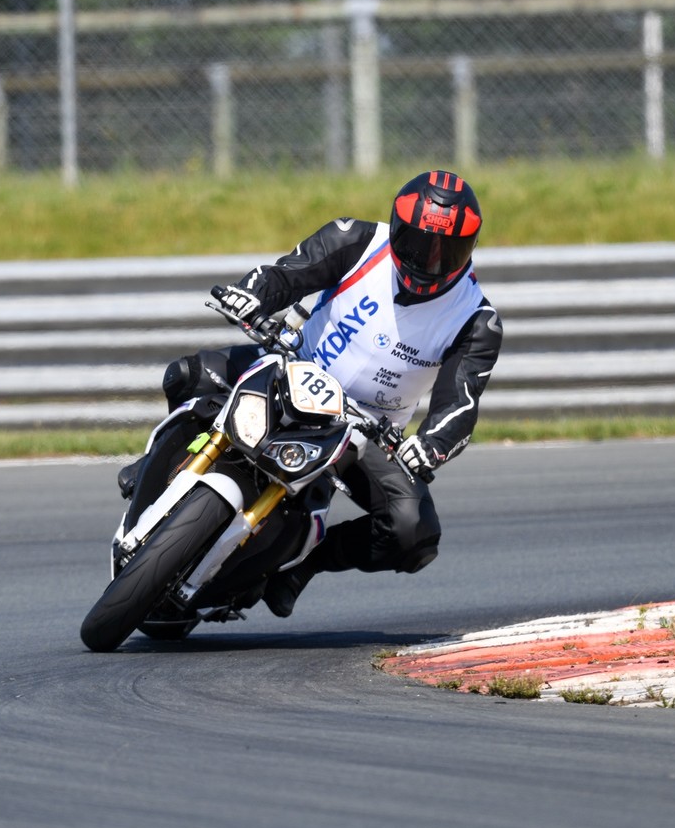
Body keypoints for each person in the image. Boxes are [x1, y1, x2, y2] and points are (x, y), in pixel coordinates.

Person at [152, 169, 503, 618]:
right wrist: (250, 294)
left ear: (469, 248)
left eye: (446, 251)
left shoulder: (476, 319)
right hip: (289, 369)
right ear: (396, 229)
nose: (428, 262)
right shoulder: (354, 239)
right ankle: (155, 468)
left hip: (365, 430)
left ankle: (305, 566)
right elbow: (285, 275)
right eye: (418, 244)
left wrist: (430, 447)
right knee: (189, 374)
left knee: (412, 532)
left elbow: (460, 404)